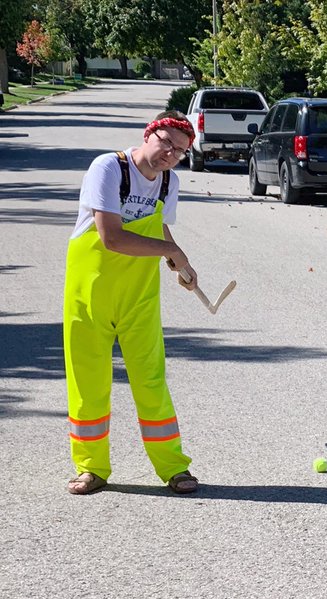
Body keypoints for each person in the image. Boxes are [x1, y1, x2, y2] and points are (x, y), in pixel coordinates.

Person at [63, 110, 202, 496]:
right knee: (88, 381)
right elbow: (111, 237)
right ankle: (91, 468)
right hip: (90, 293)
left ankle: (174, 468)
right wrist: (171, 249)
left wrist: (179, 264)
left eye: (179, 151)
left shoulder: (168, 181)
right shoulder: (108, 168)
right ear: (149, 135)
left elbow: (158, 226)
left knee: (151, 380)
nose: (170, 155)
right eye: (166, 143)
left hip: (138, 296)